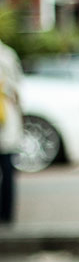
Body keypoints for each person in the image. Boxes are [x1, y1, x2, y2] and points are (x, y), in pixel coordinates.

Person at [0, 39, 23, 224]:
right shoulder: (7, 55)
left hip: (6, 121)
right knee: (8, 170)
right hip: (7, 120)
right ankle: (7, 214)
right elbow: (17, 90)